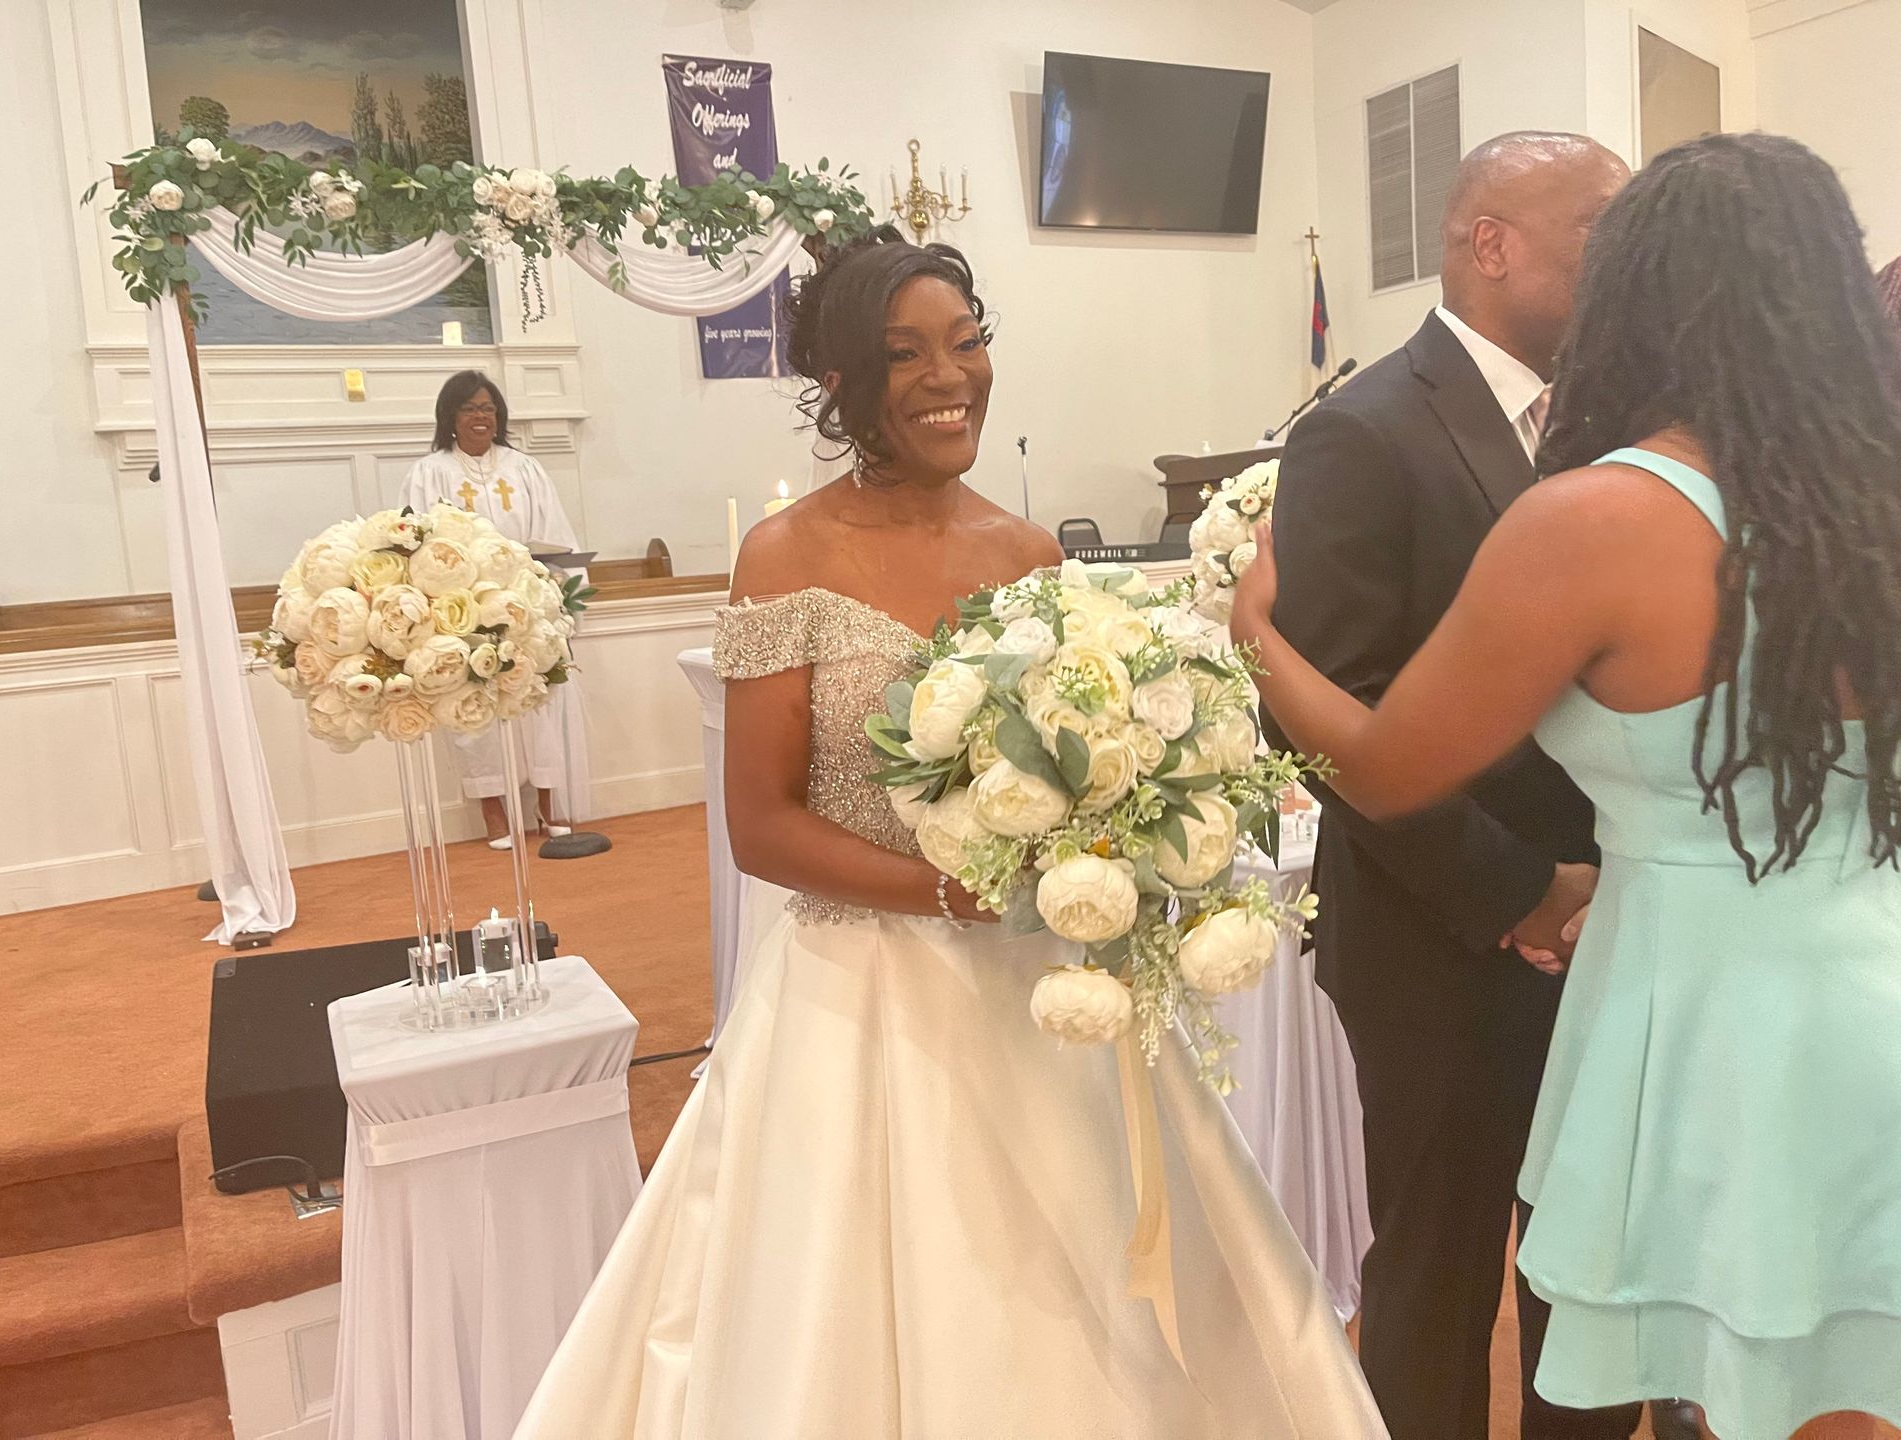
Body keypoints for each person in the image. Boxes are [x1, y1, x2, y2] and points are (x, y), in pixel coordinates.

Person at [514, 228, 1387, 1438]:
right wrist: (947, 894)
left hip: (1038, 978)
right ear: (839, 383)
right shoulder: (787, 554)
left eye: (967, 344)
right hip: (859, 992)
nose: (950, 377)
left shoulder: (1028, 553)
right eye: (907, 354)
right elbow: (761, 826)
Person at [1232, 131, 1901, 1440]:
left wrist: (1257, 635)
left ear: (1655, 285)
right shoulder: (1861, 499)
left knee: (1741, 1379)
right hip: (1858, 972)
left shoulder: (1604, 513)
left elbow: (1379, 756)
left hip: (1718, 1010)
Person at [1260, 131, 1638, 1440]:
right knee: (1434, 1279)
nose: (1629, 256)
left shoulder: (1614, 424)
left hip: (1613, 935)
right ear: (1493, 244)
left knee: (1589, 1284)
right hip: (1440, 947)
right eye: (1605, 226)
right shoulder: (1360, 433)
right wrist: (1522, 892)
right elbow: (1334, 719)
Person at [401, 372, 591, 848]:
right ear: (450, 417)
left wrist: (561, 596)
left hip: (525, 604)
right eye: (469, 409)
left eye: (488, 408)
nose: (480, 417)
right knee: (474, 714)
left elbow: (555, 533)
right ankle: (495, 813)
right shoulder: (430, 472)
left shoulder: (525, 469)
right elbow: (415, 543)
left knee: (540, 708)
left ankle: (549, 809)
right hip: (462, 611)